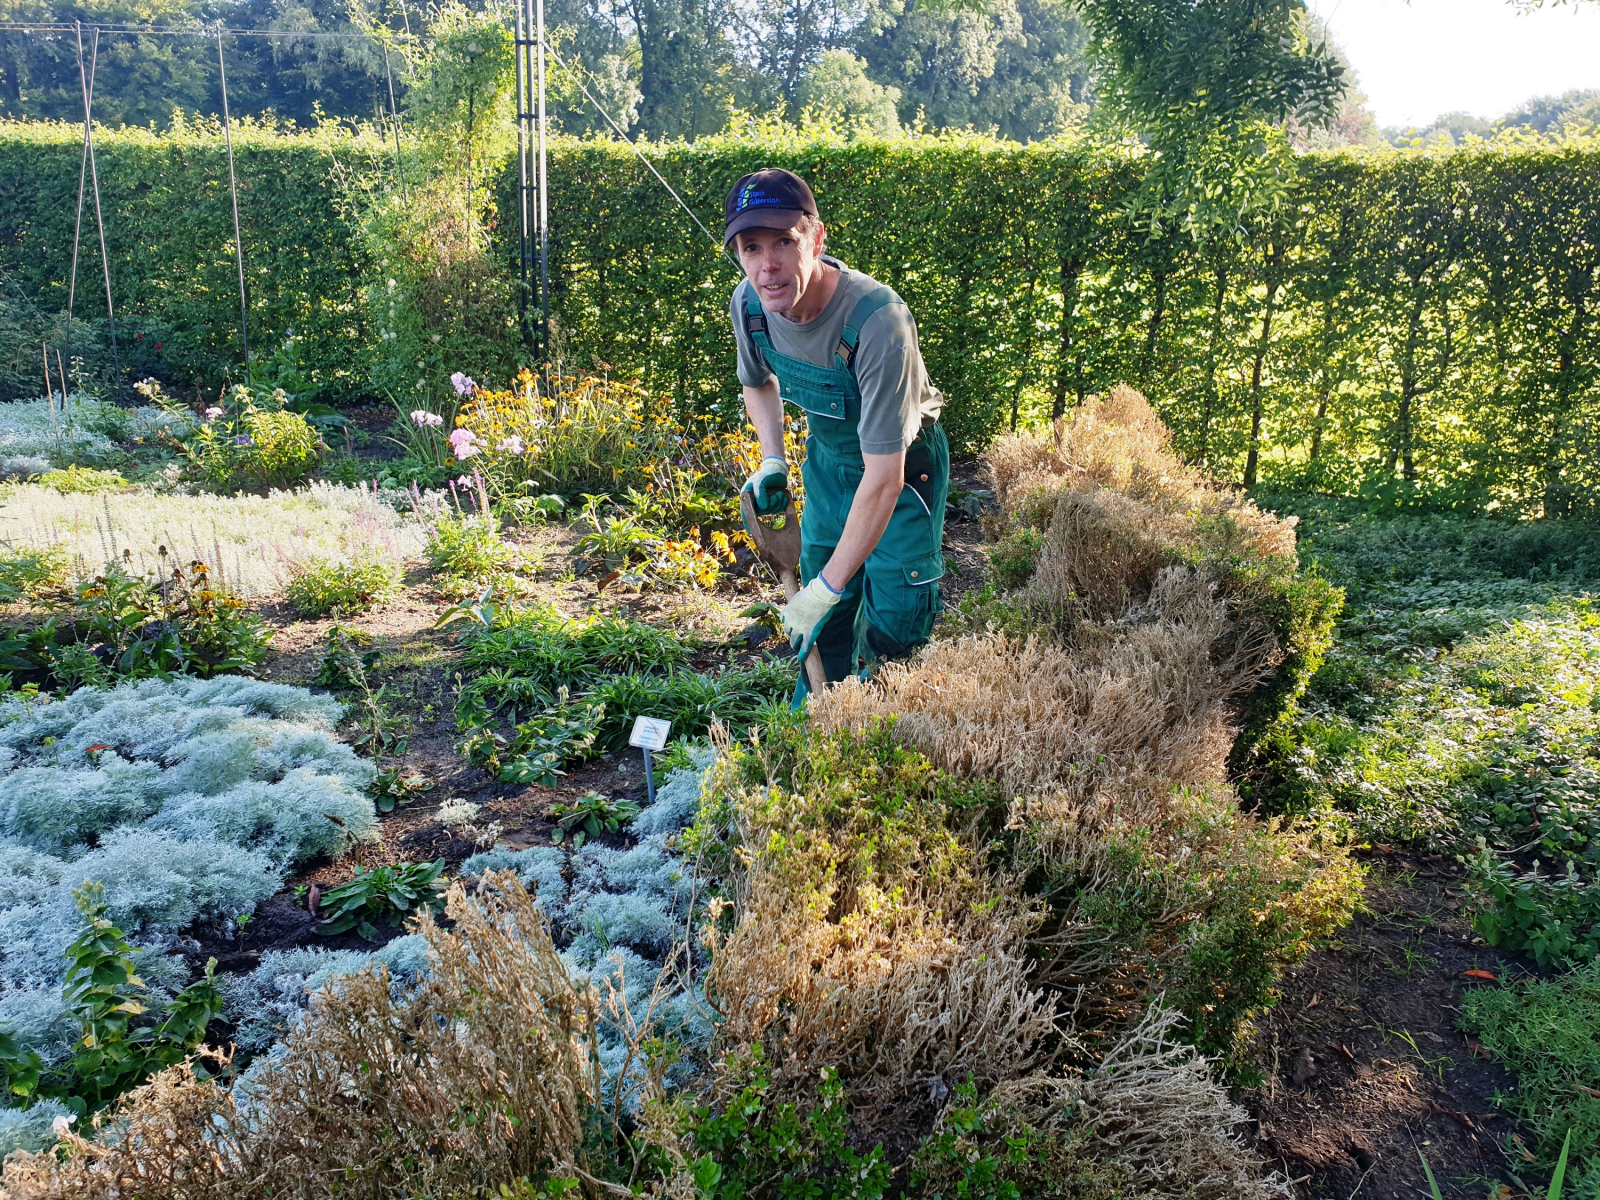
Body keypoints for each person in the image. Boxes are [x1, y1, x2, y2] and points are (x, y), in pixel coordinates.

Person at [725, 167, 948, 703]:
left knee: (896, 620)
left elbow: (884, 479)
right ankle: (820, 725)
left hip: (901, 472)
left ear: (817, 238)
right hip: (829, 463)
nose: (768, 265)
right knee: (824, 627)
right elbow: (757, 381)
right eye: (751, 247)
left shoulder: (877, 321)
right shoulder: (751, 306)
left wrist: (827, 585)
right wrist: (774, 460)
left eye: (784, 240)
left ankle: (883, 730)